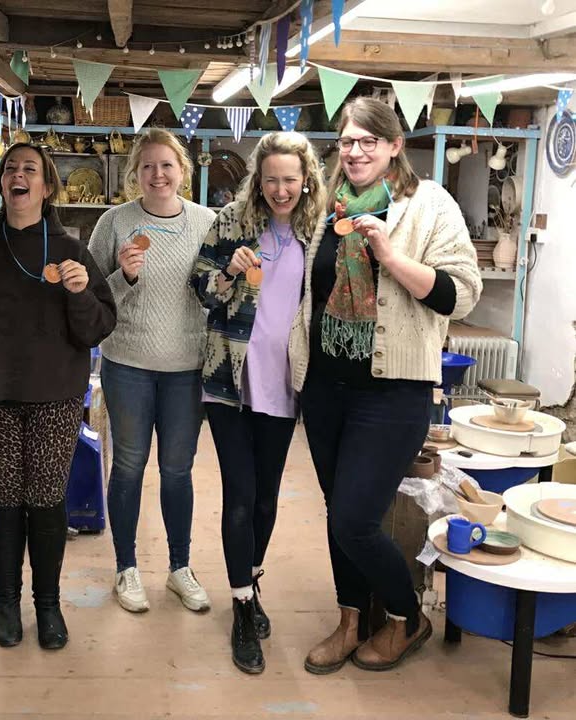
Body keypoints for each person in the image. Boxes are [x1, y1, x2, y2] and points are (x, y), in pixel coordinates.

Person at [292, 97, 482, 674]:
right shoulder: (325, 206)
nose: (355, 151)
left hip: (393, 390)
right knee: (336, 513)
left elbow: (462, 292)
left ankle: (405, 616)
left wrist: (391, 257)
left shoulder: (429, 206)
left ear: (395, 146)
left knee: (354, 518)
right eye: (347, 141)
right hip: (325, 387)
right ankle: (352, 619)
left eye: (368, 141)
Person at [0, 142, 116, 650]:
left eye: (30, 169)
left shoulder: (71, 249)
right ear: (2, 184)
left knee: (47, 502)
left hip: (54, 395)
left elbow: (96, 329)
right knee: (5, 501)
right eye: (10, 169)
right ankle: (6, 602)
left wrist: (80, 292)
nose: (17, 175)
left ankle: (48, 605)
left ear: (47, 188)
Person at [189, 132, 326, 674]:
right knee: (241, 496)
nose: (280, 189)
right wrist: (226, 270)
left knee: (267, 497)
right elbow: (199, 288)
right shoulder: (231, 223)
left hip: (287, 383)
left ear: (306, 179)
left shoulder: (317, 233)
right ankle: (242, 607)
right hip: (230, 381)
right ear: (258, 179)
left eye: (290, 178)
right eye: (270, 178)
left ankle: (251, 578)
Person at [88, 128, 216, 613]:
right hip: (128, 366)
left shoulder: (208, 223)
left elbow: (219, 293)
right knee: (127, 466)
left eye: (167, 165)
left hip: (187, 368)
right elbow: (92, 298)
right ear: (135, 175)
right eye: (148, 167)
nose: (158, 175)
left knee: (177, 471)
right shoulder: (114, 223)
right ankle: (126, 569)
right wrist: (125, 275)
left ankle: (180, 568)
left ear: (182, 170)